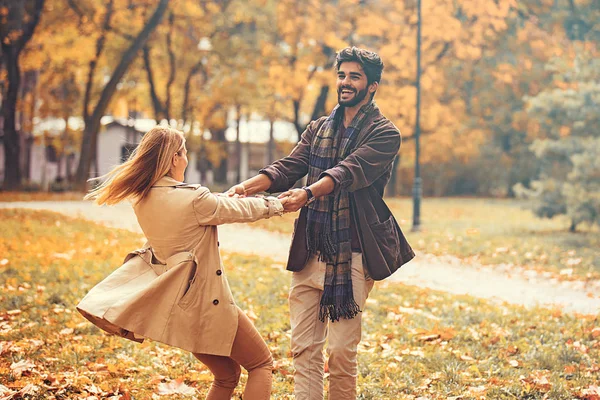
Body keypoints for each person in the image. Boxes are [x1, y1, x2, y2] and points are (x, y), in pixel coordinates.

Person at [228, 46, 415, 399]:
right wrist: (245, 187)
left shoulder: (385, 134)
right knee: (304, 349)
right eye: (342, 75)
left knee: (341, 354)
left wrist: (308, 194)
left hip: (352, 252)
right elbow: (289, 166)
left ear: (372, 86)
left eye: (354, 77)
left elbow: (349, 171)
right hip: (312, 246)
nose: (345, 83)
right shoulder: (317, 129)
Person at [83, 126, 286, 400]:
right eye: (185, 153)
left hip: (182, 308)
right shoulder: (194, 199)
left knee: (227, 375)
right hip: (208, 303)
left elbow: (200, 209)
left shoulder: (143, 198)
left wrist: (221, 199)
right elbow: (234, 210)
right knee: (261, 364)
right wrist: (279, 205)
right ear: (174, 159)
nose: (187, 159)